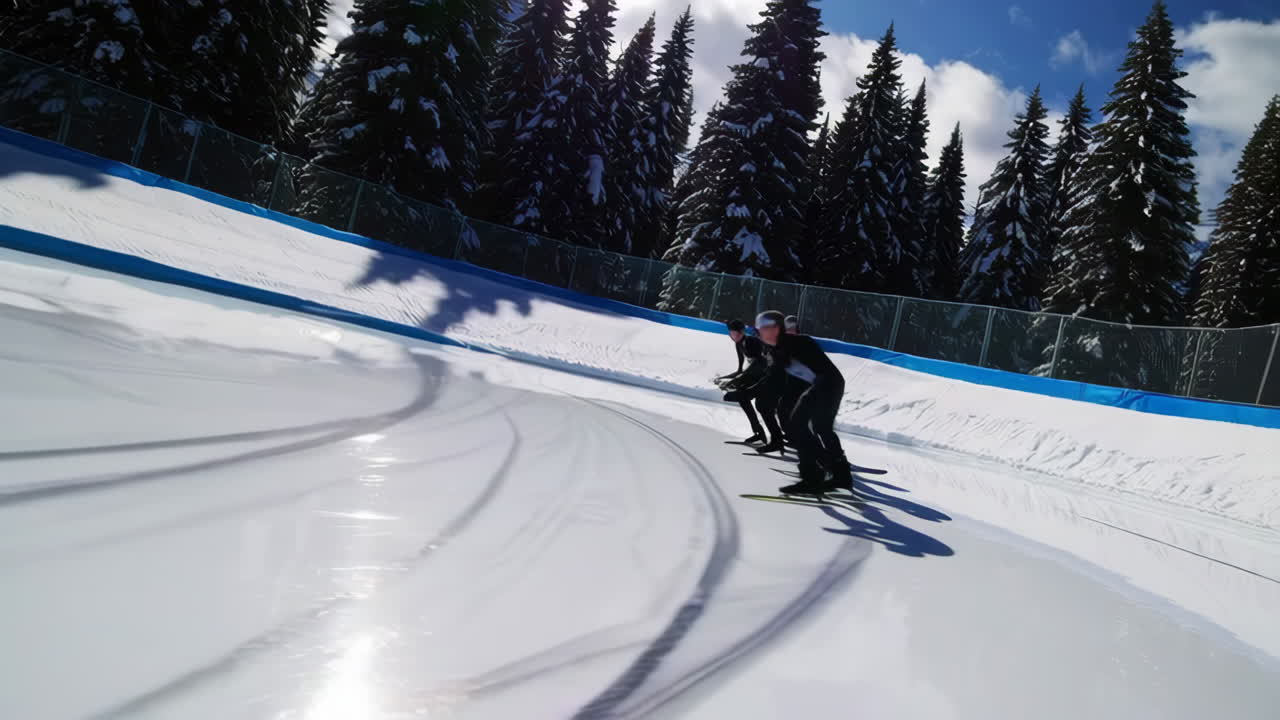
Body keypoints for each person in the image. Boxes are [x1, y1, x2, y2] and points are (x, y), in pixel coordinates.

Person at [728, 310, 851, 495]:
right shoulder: (777, 350)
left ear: (775, 329)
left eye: (761, 328)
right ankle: (840, 475)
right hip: (819, 386)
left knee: (800, 425)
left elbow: (820, 370)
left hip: (828, 384)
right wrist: (748, 392)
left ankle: (813, 477)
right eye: (757, 329)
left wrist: (810, 394)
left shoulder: (799, 343)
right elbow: (774, 378)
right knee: (820, 427)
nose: (758, 332)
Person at [714, 319, 771, 444]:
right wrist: (723, 379)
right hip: (755, 375)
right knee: (741, 397)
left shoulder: (751, 341)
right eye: (732, 334)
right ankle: (758, 432)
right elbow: (740, 369)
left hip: (767, 376)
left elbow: (759, 363)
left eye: (736, 334)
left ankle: (776, 437)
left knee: (760, 405)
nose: (734, 337)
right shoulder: (738, 344)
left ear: (742, 332)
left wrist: (735, 380)